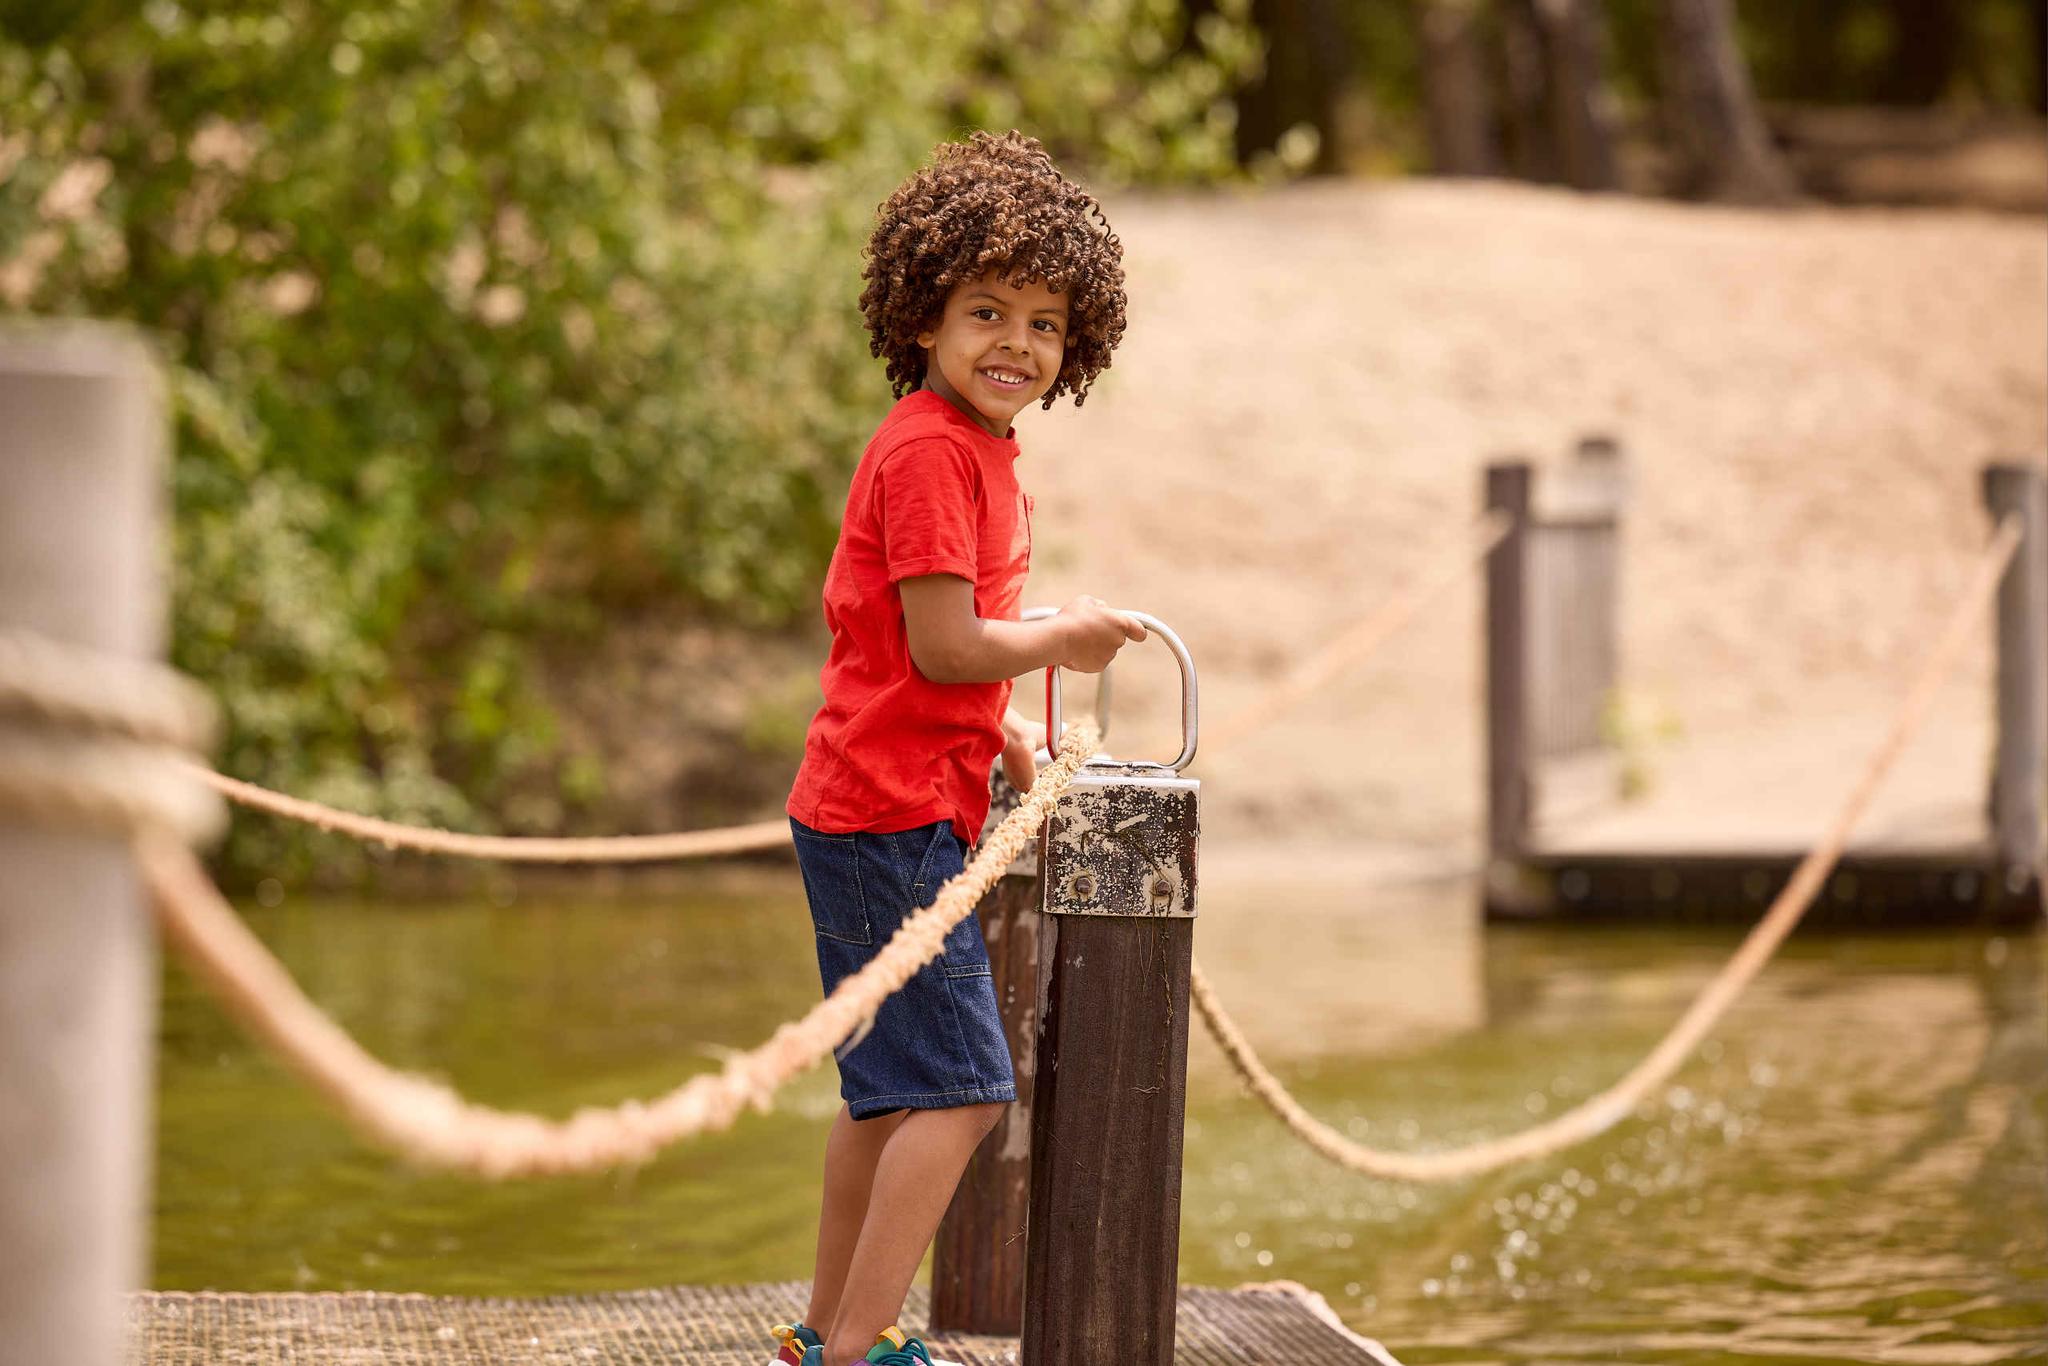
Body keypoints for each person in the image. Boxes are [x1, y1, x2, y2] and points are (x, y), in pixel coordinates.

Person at [775, 130, 1144, 1366]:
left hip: (874, 798)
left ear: (1075, 343)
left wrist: (1003, 749)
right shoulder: (933, 449)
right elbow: (939, 644)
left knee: (885, 1094)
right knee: (963, 1090)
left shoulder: (977, 449)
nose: (1015, 344)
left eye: (1044, 324)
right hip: (883, 818)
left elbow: (923, 660)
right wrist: (1059, 641)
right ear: (920, 314)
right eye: (985, 310)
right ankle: (860, 1346)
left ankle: (820, 1335)